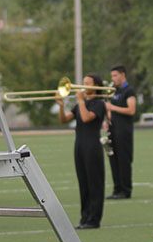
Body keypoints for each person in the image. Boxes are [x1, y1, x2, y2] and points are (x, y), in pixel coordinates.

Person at [57, 74, 107, 229]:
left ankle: (94, 219)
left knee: (94, 184)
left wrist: (79, 101)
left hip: (92, 146)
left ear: (96, 86)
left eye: (87, 83)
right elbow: (64, 120)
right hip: (79, 146)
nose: (82, 86)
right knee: (83, 183)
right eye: (83, 83)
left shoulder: (99, 104)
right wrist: (60, 105)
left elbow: (86, 118)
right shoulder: (82, 103)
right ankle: (84, 217)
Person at [105, 65, 136, 200]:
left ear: (123, 75)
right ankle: (117, 189)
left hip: (124, 130)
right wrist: (107, 118)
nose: (113, 79)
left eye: (115, 75)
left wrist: (112, 107)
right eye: (112, 76)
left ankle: (125, 190)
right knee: (114, 159)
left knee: (124, 160)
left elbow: (131, 110)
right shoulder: (114, 91)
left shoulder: (129, 91)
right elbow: (110, 110)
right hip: (113, 129)